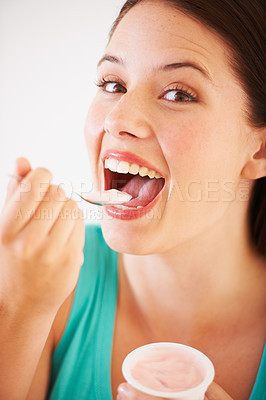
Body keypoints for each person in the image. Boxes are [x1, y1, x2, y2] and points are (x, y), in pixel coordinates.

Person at [0, 0, 265, 399]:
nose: (117, 119)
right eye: (114, 85)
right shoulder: (43, 287)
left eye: (178, 94)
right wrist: (16, 307)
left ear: (259, 149)